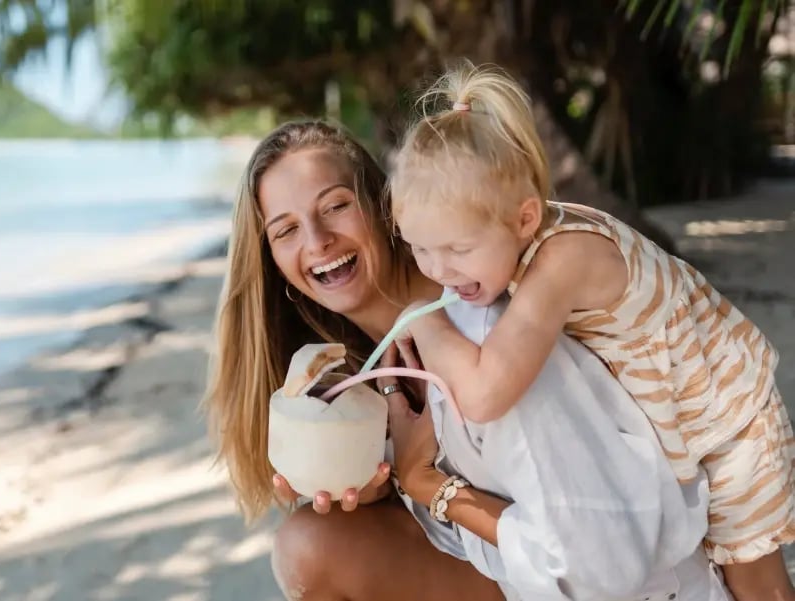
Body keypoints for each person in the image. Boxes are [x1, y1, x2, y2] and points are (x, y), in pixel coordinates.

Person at [204, 119, 727, 600]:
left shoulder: (491, 344)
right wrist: (381, 489)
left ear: (386, 207)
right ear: (274, 263)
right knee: (314, 543)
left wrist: (429, 485)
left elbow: (603, 565)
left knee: (311, 548)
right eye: (286, 230)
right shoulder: (375, 370)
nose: (317, 241)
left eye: (335, 206)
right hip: (524, 581)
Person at [389, 62, 795, 601]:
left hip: (729, 421)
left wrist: (424, 315)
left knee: (755, 578)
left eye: (458, 250)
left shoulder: (564, 259)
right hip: (677, 411)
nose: (438, 271)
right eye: (419, 249)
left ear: (526, 219)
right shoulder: (511, 241)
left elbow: (487, 393)